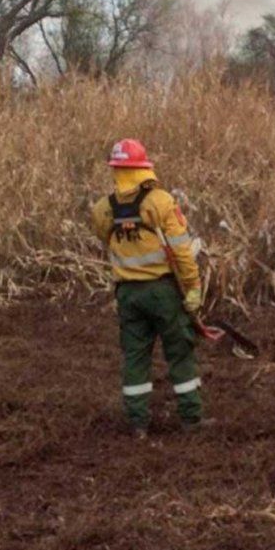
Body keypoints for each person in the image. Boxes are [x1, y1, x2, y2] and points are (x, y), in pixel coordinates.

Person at [91, 139, 207, 438]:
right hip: (162, 292)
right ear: (144, 168)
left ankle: (138, 424)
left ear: (115, 169)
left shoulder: (103, 209)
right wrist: (193, 288)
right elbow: (181, 251)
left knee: (135, 357)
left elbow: (107, 239)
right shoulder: (161, 202)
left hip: (127, 294)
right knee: (180, 352)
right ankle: (192, 419)